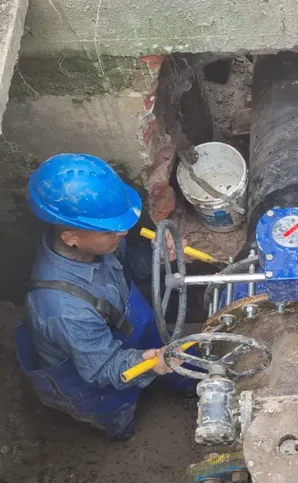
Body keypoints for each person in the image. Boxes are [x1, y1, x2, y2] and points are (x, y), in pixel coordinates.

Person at [13, 153, 193, 441]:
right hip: (92, 376)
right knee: (116, 411)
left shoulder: (98, 243)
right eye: (111, 229)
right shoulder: (64, 309)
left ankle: (188, 386)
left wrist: (157, 256)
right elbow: (102, 369)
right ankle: (125, 437)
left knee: (177, 358)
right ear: (71, 237)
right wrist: (151, 364)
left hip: (130, 329)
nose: (123, 231)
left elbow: (130, 265)